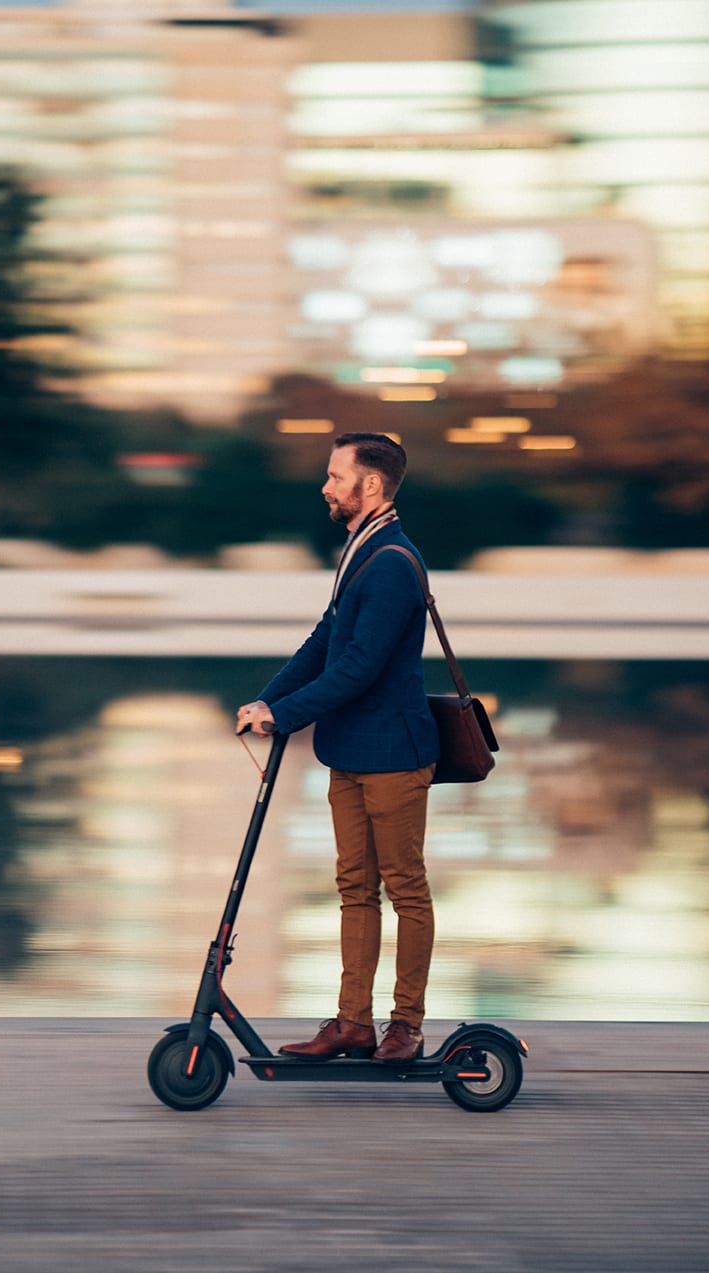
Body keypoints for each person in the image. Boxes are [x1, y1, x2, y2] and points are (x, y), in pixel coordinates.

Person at [236, 432, 439, 1063]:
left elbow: (358, 667)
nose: (325, 486)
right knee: (355, 886)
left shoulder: (393, 563)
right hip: (349, 749)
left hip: (395, 755)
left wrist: (287, 715)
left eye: (335, 475)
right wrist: (266, 702)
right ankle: (353, 1023)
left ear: (370, 485)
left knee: (405, 887)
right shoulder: (362, 549)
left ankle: (404, 1025)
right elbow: (324, 640)